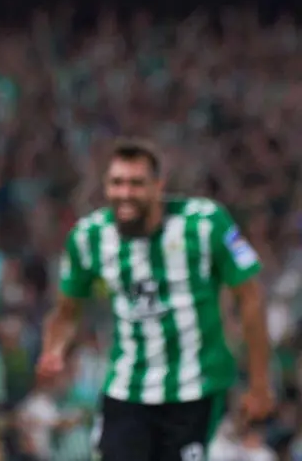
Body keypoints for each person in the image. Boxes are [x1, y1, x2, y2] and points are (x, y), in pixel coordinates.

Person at [37, 138, 274, 461]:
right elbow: (67, 309)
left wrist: (259, 383)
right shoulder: (88, 237)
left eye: (136, 184)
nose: (125, 194)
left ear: (158, 185)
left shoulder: (205, 224)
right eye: (117, 183)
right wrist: (54, 349)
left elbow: (249, 296)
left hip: (193, 390)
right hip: (126, 389)